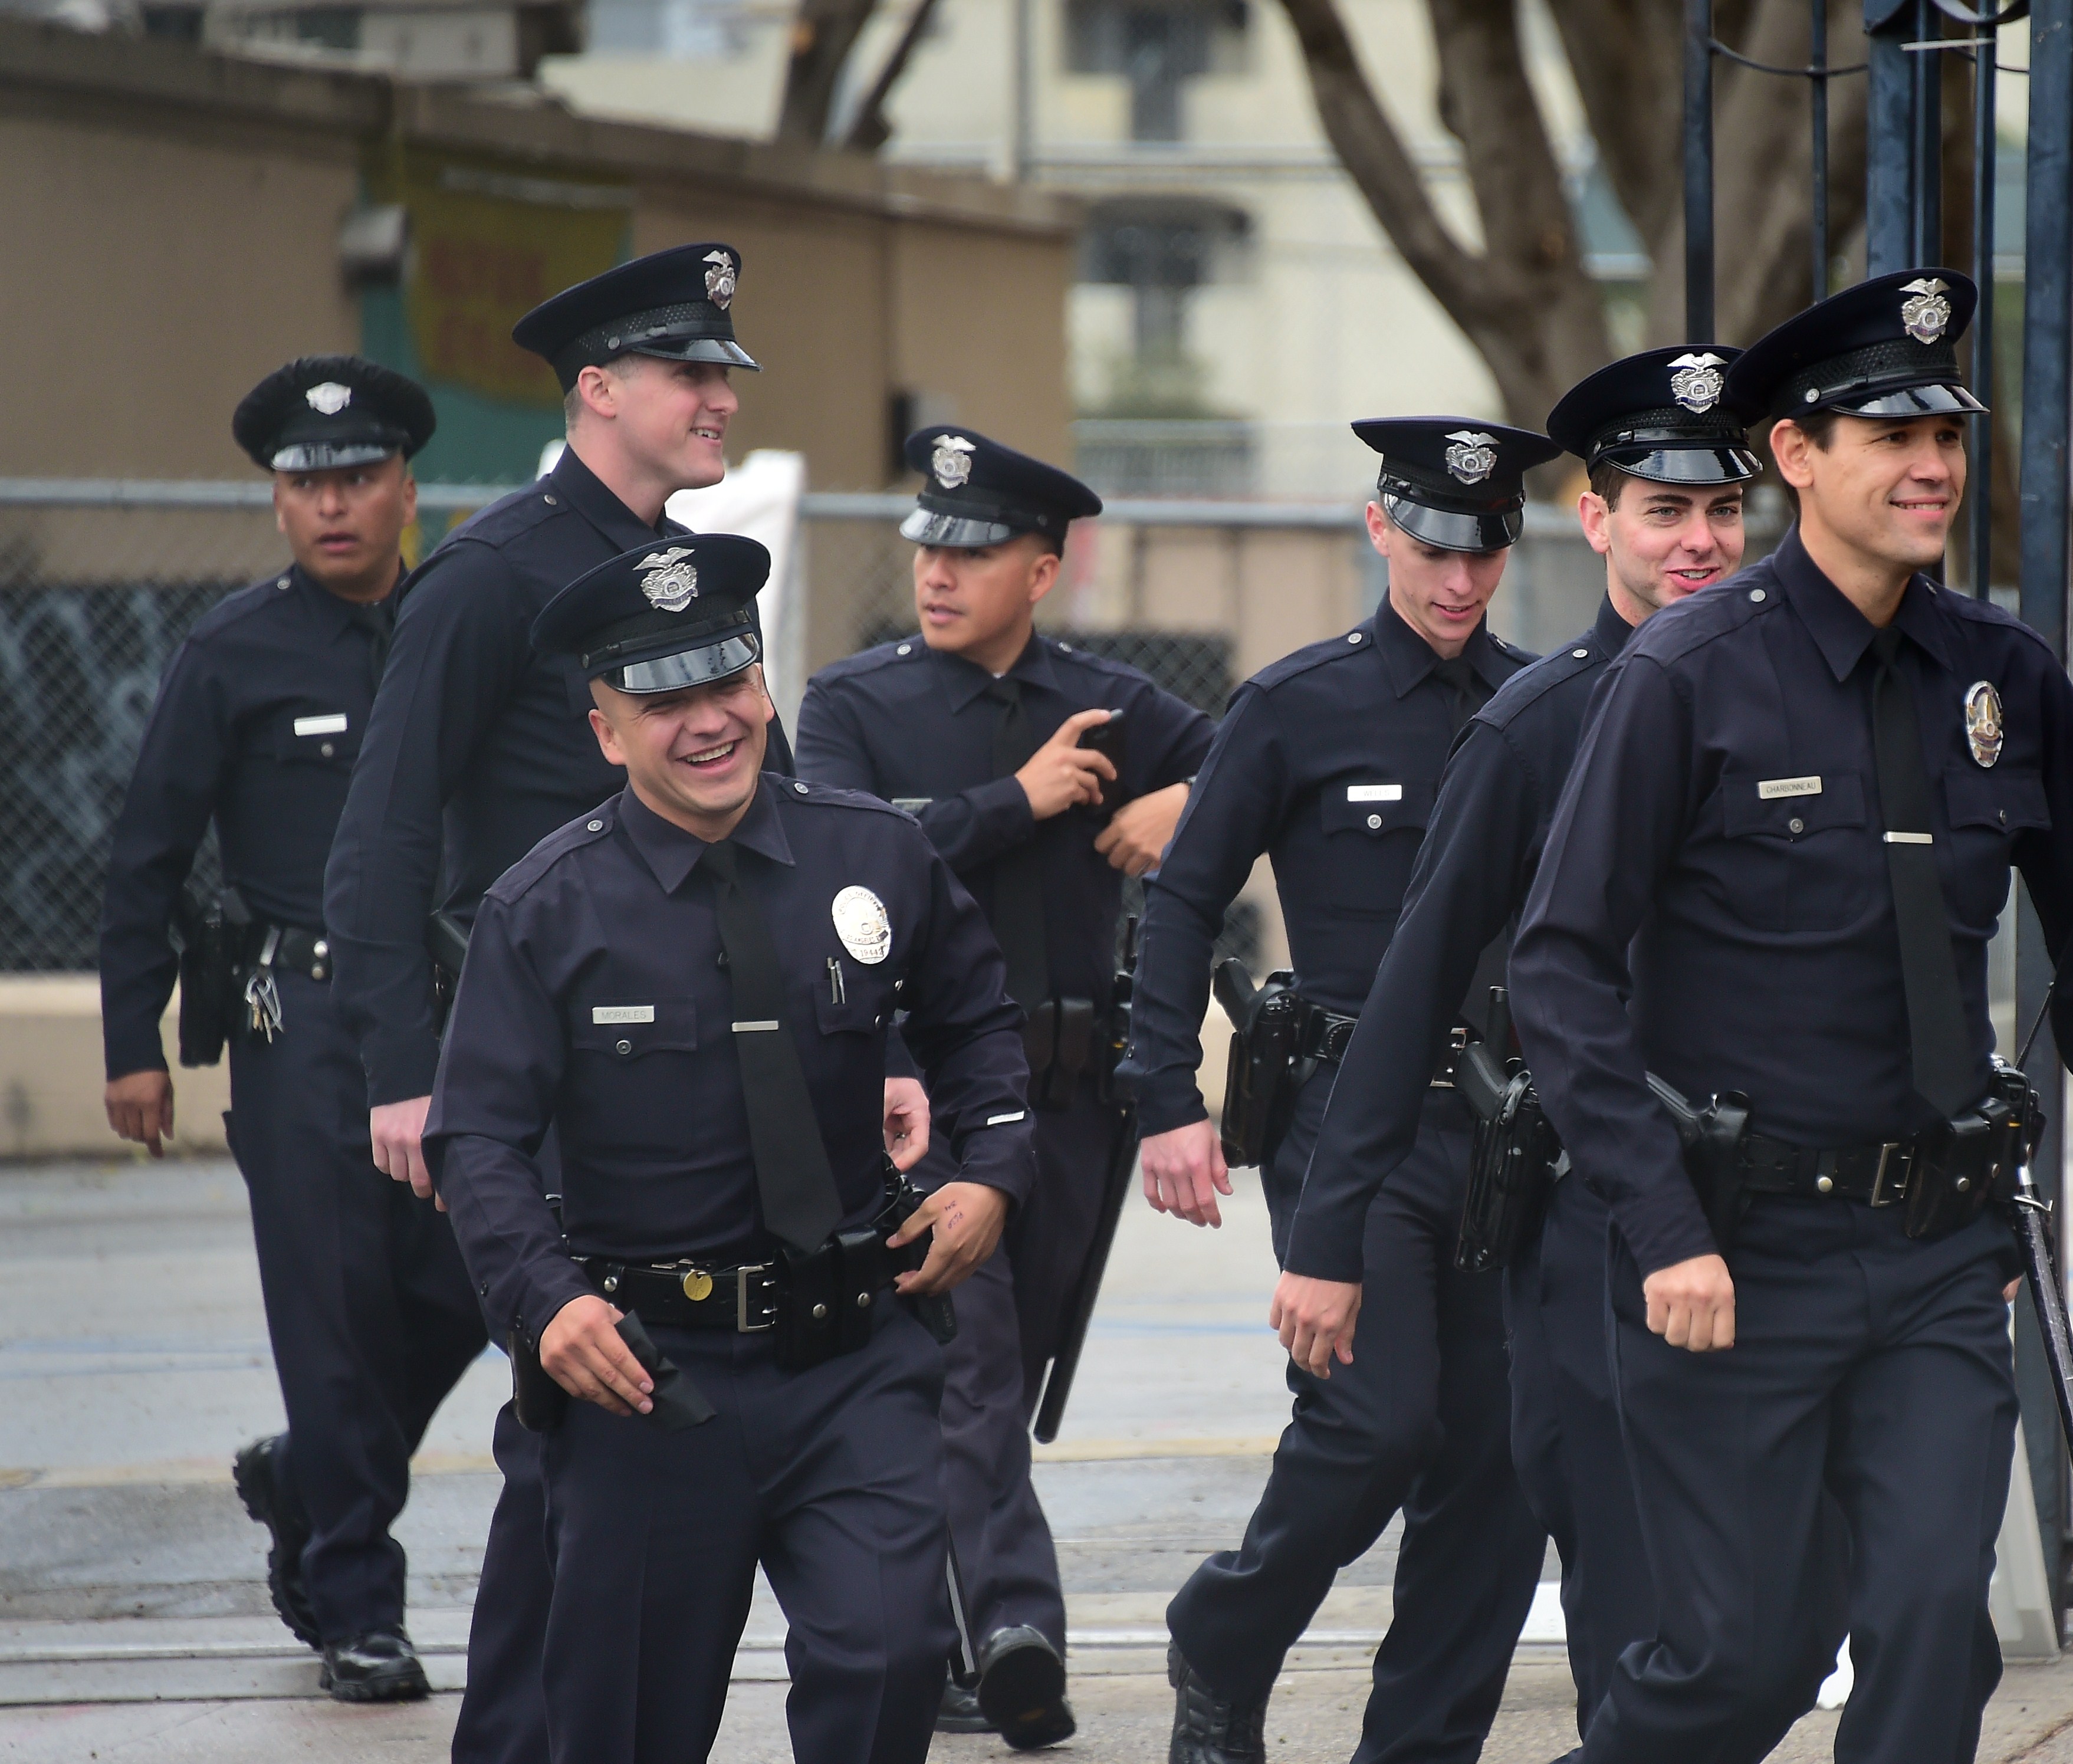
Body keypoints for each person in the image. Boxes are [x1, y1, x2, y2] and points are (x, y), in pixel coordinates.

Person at [1509, 271, 2073, 1764]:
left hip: (1940, 1256)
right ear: (1793, 456)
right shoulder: (1685, 675)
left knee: (1934, 1626)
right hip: (1736, 1254)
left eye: (1940, 429)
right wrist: (1659, 1223)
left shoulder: (2002, 678)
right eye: (1884, 430)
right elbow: (1556, 967)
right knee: (1737, 1668)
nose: (1927, 461)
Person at [429, 533, 1034, 1762]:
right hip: (648, 1384)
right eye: (663, 702)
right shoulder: (544, 908)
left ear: (763, 681)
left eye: (728, 682)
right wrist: (544, 1304)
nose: (709, 721)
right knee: (631, 1722)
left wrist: (989, 1174)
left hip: (852, 1357)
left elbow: (976, 1023)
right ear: (605, 731)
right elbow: (475, 1135)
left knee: (890, 1656)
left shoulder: (873, 851)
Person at [321, 240, 789, 1764]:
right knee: (572, 1428)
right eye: (690, 376)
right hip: (532, 1065)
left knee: (582, 1445)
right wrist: (409, 1076)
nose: (720, 401)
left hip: (676, 1068)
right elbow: (382, 836)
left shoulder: (681, 576)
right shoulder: (494, 572)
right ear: (599, 391)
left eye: (725, 376)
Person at [1269, 346, 1764, 1740]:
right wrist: (1326, 1230)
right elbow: (1413, 990)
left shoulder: (1798, 693)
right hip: (1591, 1224)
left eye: (1721, 509)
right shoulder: (1535, 725)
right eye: (1663, 512)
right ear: (1596, 520)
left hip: (1782, 1218)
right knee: (1624, 1607)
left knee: (1760, 1615)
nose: (1700, 541)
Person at [1124, 417, 1558, 1764]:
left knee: (1495, 1468)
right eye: (1431, 543)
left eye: (1483, 549)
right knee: (1378, 1421)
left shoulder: (1541, 706)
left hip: (1502, 1128)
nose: (1455, 577)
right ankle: (1226, 1627)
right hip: (1344, 1120)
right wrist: (1162, 1093)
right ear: (1380, 528)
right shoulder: (1294, 703)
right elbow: (1181, 899)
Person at [797, 427, 1214, 1747]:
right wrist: (1013, 799)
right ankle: (1020, 1626)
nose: (937, 569)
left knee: (985, 1382)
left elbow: (1272, 758)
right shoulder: (855, 701)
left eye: (972, 551)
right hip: (920, 1096)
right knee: (968, 1374)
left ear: (1042, 568)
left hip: (1074, 1103)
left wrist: (1186, 800)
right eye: (928, 544)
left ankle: (938, 1640)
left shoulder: (1103, 698)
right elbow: (835, 857)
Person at [98, 357, 478, 1701]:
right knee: (330, 1311)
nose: (333, 505)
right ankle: (357, 1600)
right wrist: (130, 1039)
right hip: (295, 1016)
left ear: (404, 489)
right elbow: (144, 853)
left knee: (473, 1282)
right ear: (274, 502)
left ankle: (311, 1473)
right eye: (307, 483)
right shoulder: (233, 652)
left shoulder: (456, 625)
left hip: (446, 1014)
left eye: (357, 478)